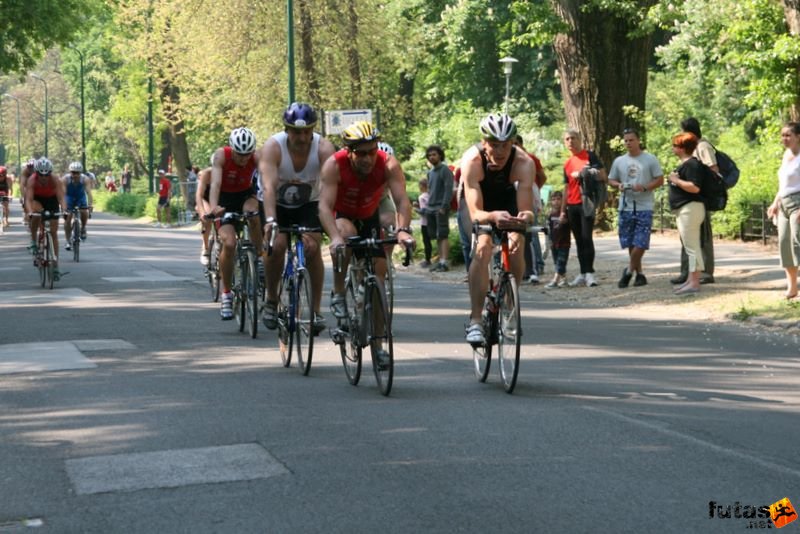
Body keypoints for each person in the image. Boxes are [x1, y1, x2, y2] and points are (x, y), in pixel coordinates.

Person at [318, 121, 415, 350]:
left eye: (372, 151)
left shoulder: (388, 164)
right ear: (348, 151)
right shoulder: (334, 165)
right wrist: (334, 237)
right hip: (342, 215)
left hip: (369, 214)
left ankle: (379, 343)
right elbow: (323, 206)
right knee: (346, 235)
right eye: (361, 153)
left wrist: (402, 230)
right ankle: (339, 292)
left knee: (378, 277)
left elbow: (402, 200)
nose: (367, 158)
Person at [259, 102, 335, 332]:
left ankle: (315, 311)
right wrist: (271, 221)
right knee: (277, 244)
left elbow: (330, 185)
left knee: (312, 247)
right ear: (286, 130)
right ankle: (272, 299)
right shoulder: (273, 148)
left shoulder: (324, 149)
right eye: (295, 132)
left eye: (306, 131)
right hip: (277, 203)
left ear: (313, 130)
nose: (302, 137)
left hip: (309, 203)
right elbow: (269, 188)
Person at [461, 113, 535, 344]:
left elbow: (527, 209)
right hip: (480, 205)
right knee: (483, 247)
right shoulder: (472, 161)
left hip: (506, 199)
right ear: (484, 143)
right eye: (494, 145)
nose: (500, 152)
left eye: (505, 145)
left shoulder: (524, 163)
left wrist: (525, 217)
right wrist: (492, 216)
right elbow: (475, 212)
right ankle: (475, 321)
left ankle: (510, 304)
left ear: (513, 143)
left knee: (517, 243)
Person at [208, 127, 262, 320]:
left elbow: (267, 179)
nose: (243, 159)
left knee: (253, 213)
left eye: (247, 154)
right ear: (232, 150)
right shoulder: (221, 156)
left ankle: (260, 257)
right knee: (229, 243)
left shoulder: (256, 158)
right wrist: (214, 207)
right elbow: (214, 184)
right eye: (239, 155)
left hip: (245, 196)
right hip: (224, 199)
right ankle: (227, 294)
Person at [607, 128, 664, 288]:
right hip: (625, 206)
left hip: (644, 205)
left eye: (631, 140)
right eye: (626, 140)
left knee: (641, 240)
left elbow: (660, 179)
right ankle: (639, 274)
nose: (628, 143)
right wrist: (619, 185)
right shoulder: (619, 161)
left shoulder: (649, 159)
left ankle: (628, 272)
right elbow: (611, 179)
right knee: (630, 241)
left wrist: (645, 187)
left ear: (638, 141)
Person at [673, 117, 718, 285]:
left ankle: (704, 272)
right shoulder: (691, 150)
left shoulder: (703, 147)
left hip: (698, 200)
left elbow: (713, 171)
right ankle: (687, 272)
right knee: (688, 239)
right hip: (686, 201)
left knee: (702, 238)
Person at [562, 128, 607, 287]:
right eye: (567, 139)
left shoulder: (590, 156)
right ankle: (582, 272)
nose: (570, 141)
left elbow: (603, 175)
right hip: (571, 205)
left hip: (586, 202)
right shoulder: (567, 163)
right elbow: (566, 188)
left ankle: (590, 273)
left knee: (587, 238)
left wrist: (583, 173)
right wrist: (562, 210)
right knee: (579, 240)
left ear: (580, 139)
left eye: (573, 138)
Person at [668, 132, 709, 295]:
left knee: (692, 246)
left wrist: (676, 180)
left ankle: (694, 282)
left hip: (690, 209)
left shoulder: (692, 164)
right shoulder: (686, 164)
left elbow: (695, 187)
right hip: (685, 209)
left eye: (675, 145)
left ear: (682, 148)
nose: (673, 148)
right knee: (689, 246)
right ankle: (690, 280)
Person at [766, 122, 800, 300]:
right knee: (785, 243)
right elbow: (783, 184)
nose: (784, 139)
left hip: (798, 202)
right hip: (784, 203)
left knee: (798, 243)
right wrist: (775, 203)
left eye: (788, 135)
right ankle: (792, 287)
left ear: (798, 136)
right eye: (782, 135)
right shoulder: (787, 155)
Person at [515, 134, 547, 283]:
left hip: (529, 197)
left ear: (521, 144)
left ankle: (536, 266)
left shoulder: (530, 158)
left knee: (531, 234)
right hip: (513, 197)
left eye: (516, 143)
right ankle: (520, 269)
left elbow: (542, 176)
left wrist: (535, 193)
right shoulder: (506, 159)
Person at [26, 158, 66, 279]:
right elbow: (28, 199)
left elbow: (61, 198)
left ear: (50, 173)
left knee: (53, 233)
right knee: (36, 215)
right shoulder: (32, 180)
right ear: (36, 173)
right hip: (37, 199)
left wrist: (65, 211)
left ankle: (55, 265)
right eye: (41, 174)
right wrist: (30, 212)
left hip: (52, 200)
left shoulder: (55, 180)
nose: (44, 177)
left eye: (46, 174)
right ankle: (33, 240)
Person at [424, 144, 454, 272]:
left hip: (440, 208)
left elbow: (448, 189)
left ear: (440, 155)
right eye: (429, 155)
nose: (431, 157)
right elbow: (430, 190)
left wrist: (444, 206)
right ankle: (440, 260)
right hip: (430, 208)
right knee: (436, 236)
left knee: (443, 235)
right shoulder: (430, 172)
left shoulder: (445, 170)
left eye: (434, 154)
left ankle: (444, 262)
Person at [62, 161, 92, 249]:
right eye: (73, 172)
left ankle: (83, 228)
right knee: (68, 218)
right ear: (70, 172)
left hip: (80, 197)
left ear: (80, 172)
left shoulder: (85, 179)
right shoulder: (65, 179)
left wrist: (90, 204)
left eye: (77, 173)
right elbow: (63, 193)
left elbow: (88, 192)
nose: (75, 175)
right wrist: (63, 206)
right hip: (69, 197)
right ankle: (68, 241)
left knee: (84, 211)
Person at [544, 190, 570, 288]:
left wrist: (565, 221)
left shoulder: (565, 213)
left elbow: (569, 224)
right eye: (554, 199)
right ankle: (564, 279)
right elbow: (550, 229)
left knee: (561, 261)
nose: (556, 201)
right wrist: (549, 241)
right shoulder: (551, 214)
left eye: (559, 199)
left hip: (564, 243)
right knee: (557, 262)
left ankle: (555, 280)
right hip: (554, 243)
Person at [195, 165, 212, 265]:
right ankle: (205, 248)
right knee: (207, 217)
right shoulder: (204, 176)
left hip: (219, 199)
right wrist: (201, 211)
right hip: (205, 199)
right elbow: (200, 196)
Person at [413, 178, 433, 267]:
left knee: (426, 241)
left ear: (422, 186)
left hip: (425, 223)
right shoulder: (430, 195)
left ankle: (427, 260)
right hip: (432, 221)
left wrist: (415, 209)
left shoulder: (421, 197)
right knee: (432, 240)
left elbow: (424, 211)